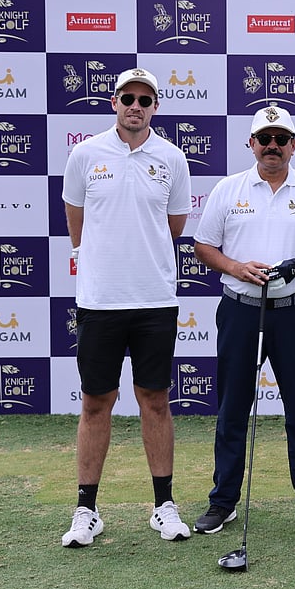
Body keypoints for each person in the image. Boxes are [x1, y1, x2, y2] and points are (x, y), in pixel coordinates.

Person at [191, 104, 295, 535]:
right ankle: (223, 502)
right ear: (251, 144)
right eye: (265, 139)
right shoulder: (228, 189)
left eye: (281, 139)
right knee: (233, 407)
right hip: (240, 309)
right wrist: (237, 268)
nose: (272, 147)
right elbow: (204, 247)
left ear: (294, 145)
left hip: (293, 311)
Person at [60, 68, 193, 547]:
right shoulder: (85, 154)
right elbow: (76, 220)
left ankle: (163, 506)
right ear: (114, 102)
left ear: (155, 106)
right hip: (99, 301)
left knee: (155, 402)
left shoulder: (173, 158)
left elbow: (173, 226)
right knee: (96, 403)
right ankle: (86, 511)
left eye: (145, 99)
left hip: (155, 299)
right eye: (128, 97)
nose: (136, 106)